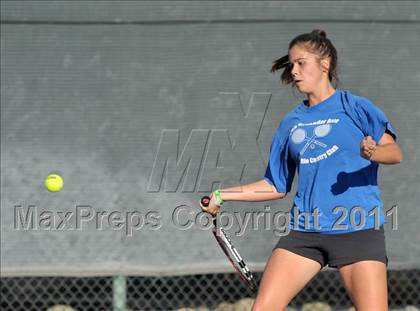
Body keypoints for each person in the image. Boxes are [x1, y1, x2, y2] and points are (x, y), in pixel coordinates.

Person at [200, 29, 403, 310]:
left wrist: (374, 152)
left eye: (300, 63)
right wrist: (221, 195)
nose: (293, 71)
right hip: (305, 233)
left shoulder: (355, 107)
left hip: (358, 228)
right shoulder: (291, 123)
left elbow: (395, 153)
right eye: (291, 65)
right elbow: (275, 185)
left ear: (325, 64)